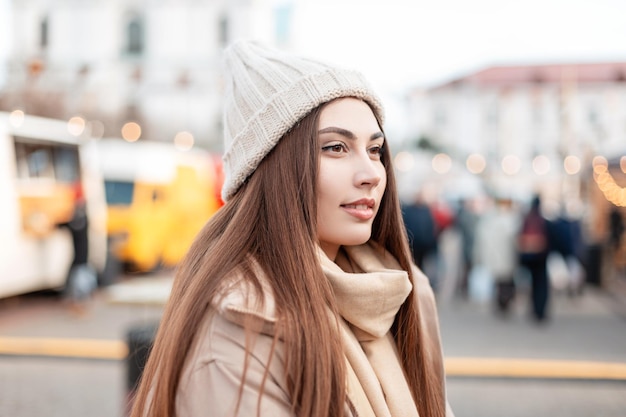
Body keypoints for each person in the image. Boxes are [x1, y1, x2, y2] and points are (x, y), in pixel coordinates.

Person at [130, 41, 454, 417]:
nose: (370, 174)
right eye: (335, 147)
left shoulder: (402, 293)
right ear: (273, 169)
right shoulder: (239, 331)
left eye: (375, 149)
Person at [474, 196, 520, 314]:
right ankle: (504, 302)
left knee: (501, 281)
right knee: (504, 281)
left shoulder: (493, 220)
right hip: (504, 257)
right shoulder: (508, 220)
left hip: (500, 257)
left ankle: (502, 302)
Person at [518, 195, 552, 322]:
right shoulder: (543, 221)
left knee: (532, 284)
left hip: (529, 258)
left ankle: (534, 309)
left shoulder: (527, 220)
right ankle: (540, 310)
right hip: (541, 258)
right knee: (541, 285)